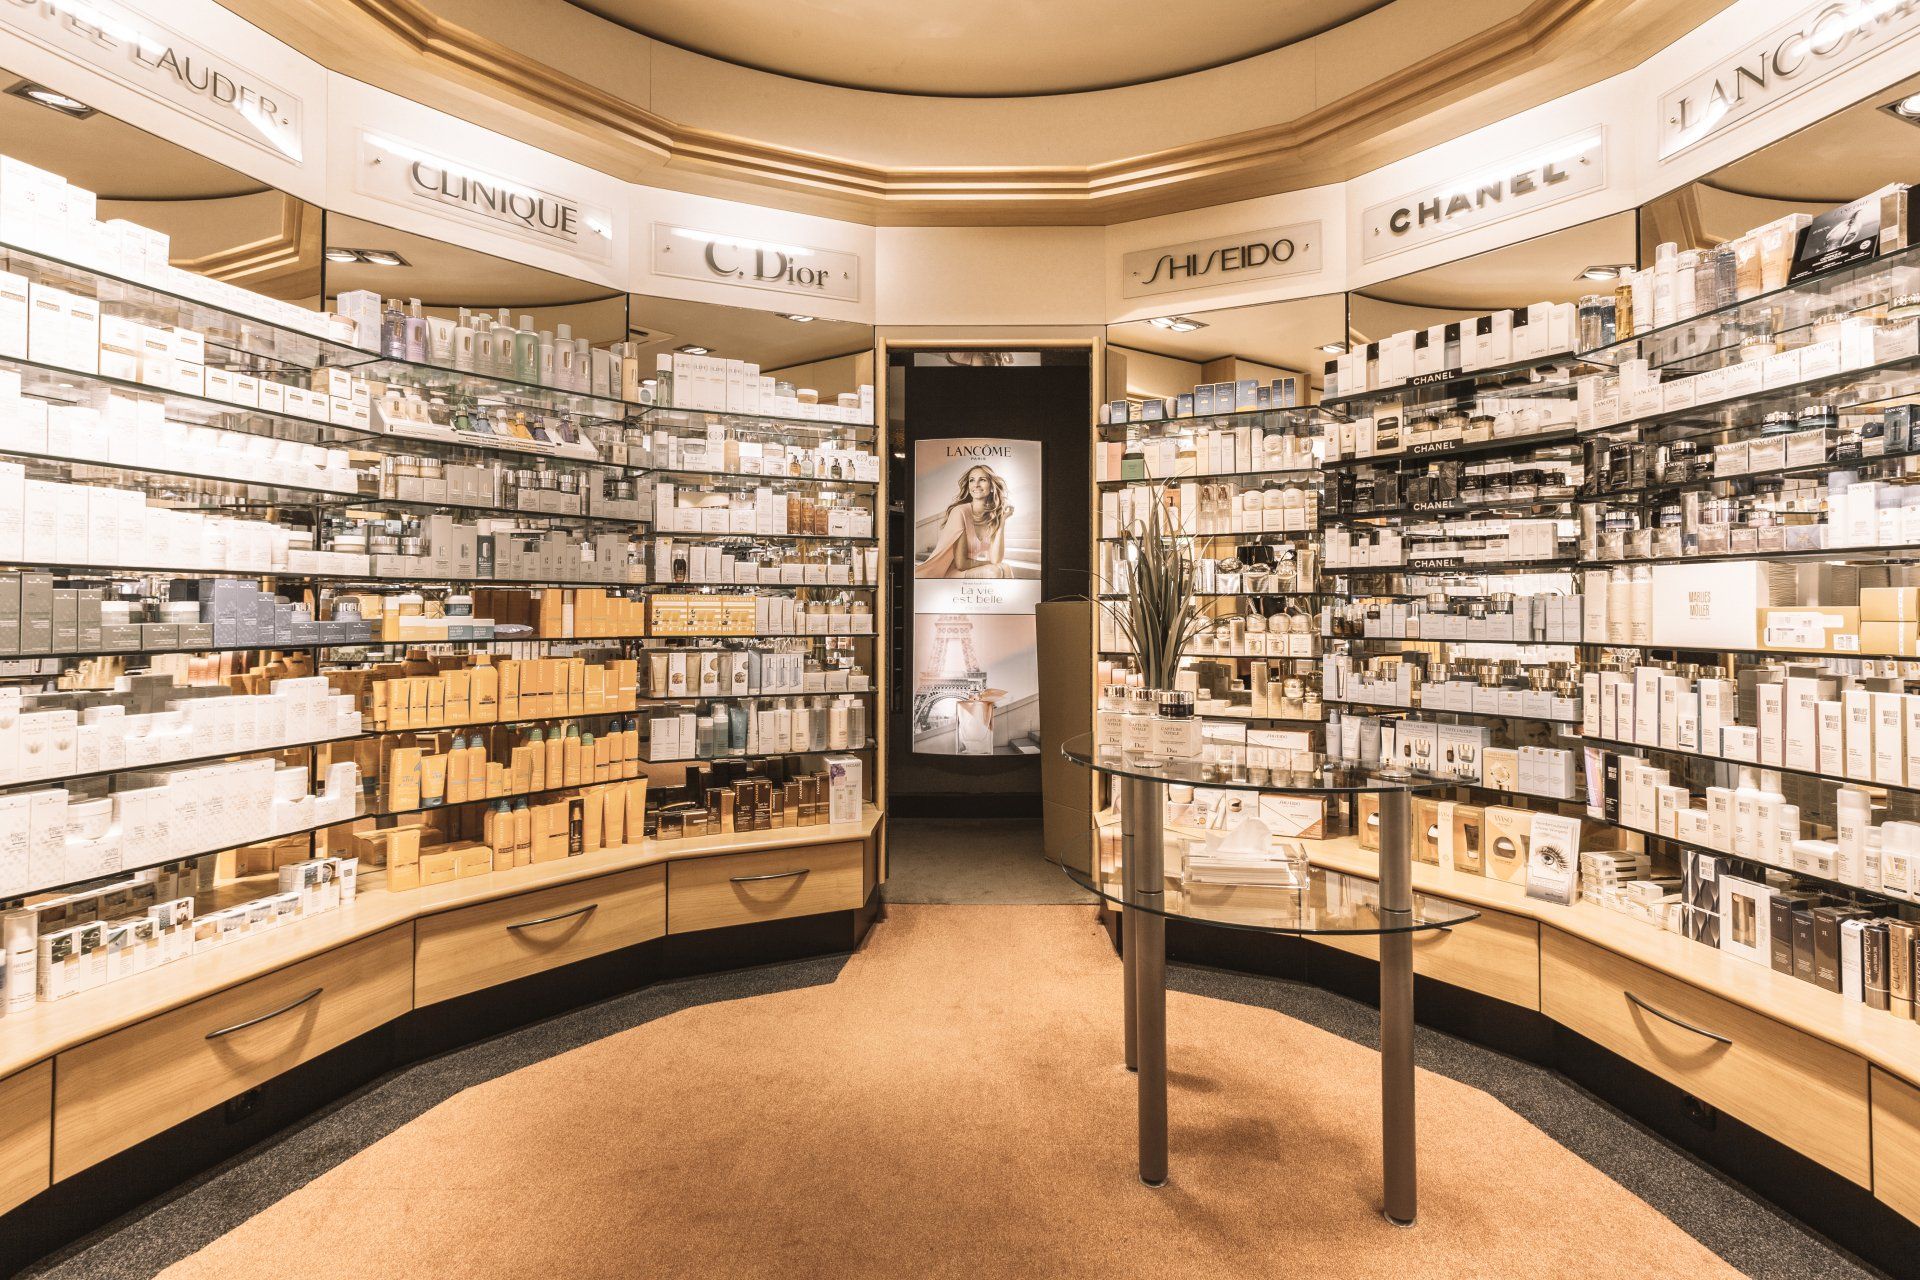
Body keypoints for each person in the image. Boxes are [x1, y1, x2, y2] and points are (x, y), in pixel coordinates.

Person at [917, 464, 1015, 579]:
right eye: (972, 480)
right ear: (969, 487)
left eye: (982, 480)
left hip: (969, 569)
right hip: (949, 572)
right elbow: (961, 564)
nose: (976, 484)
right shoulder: (960, 512)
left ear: (992, 486)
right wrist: (990, 564)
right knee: (994, 571)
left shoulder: (992, 517)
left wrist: (1002, 522)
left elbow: (996, 559)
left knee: (1006, 568)